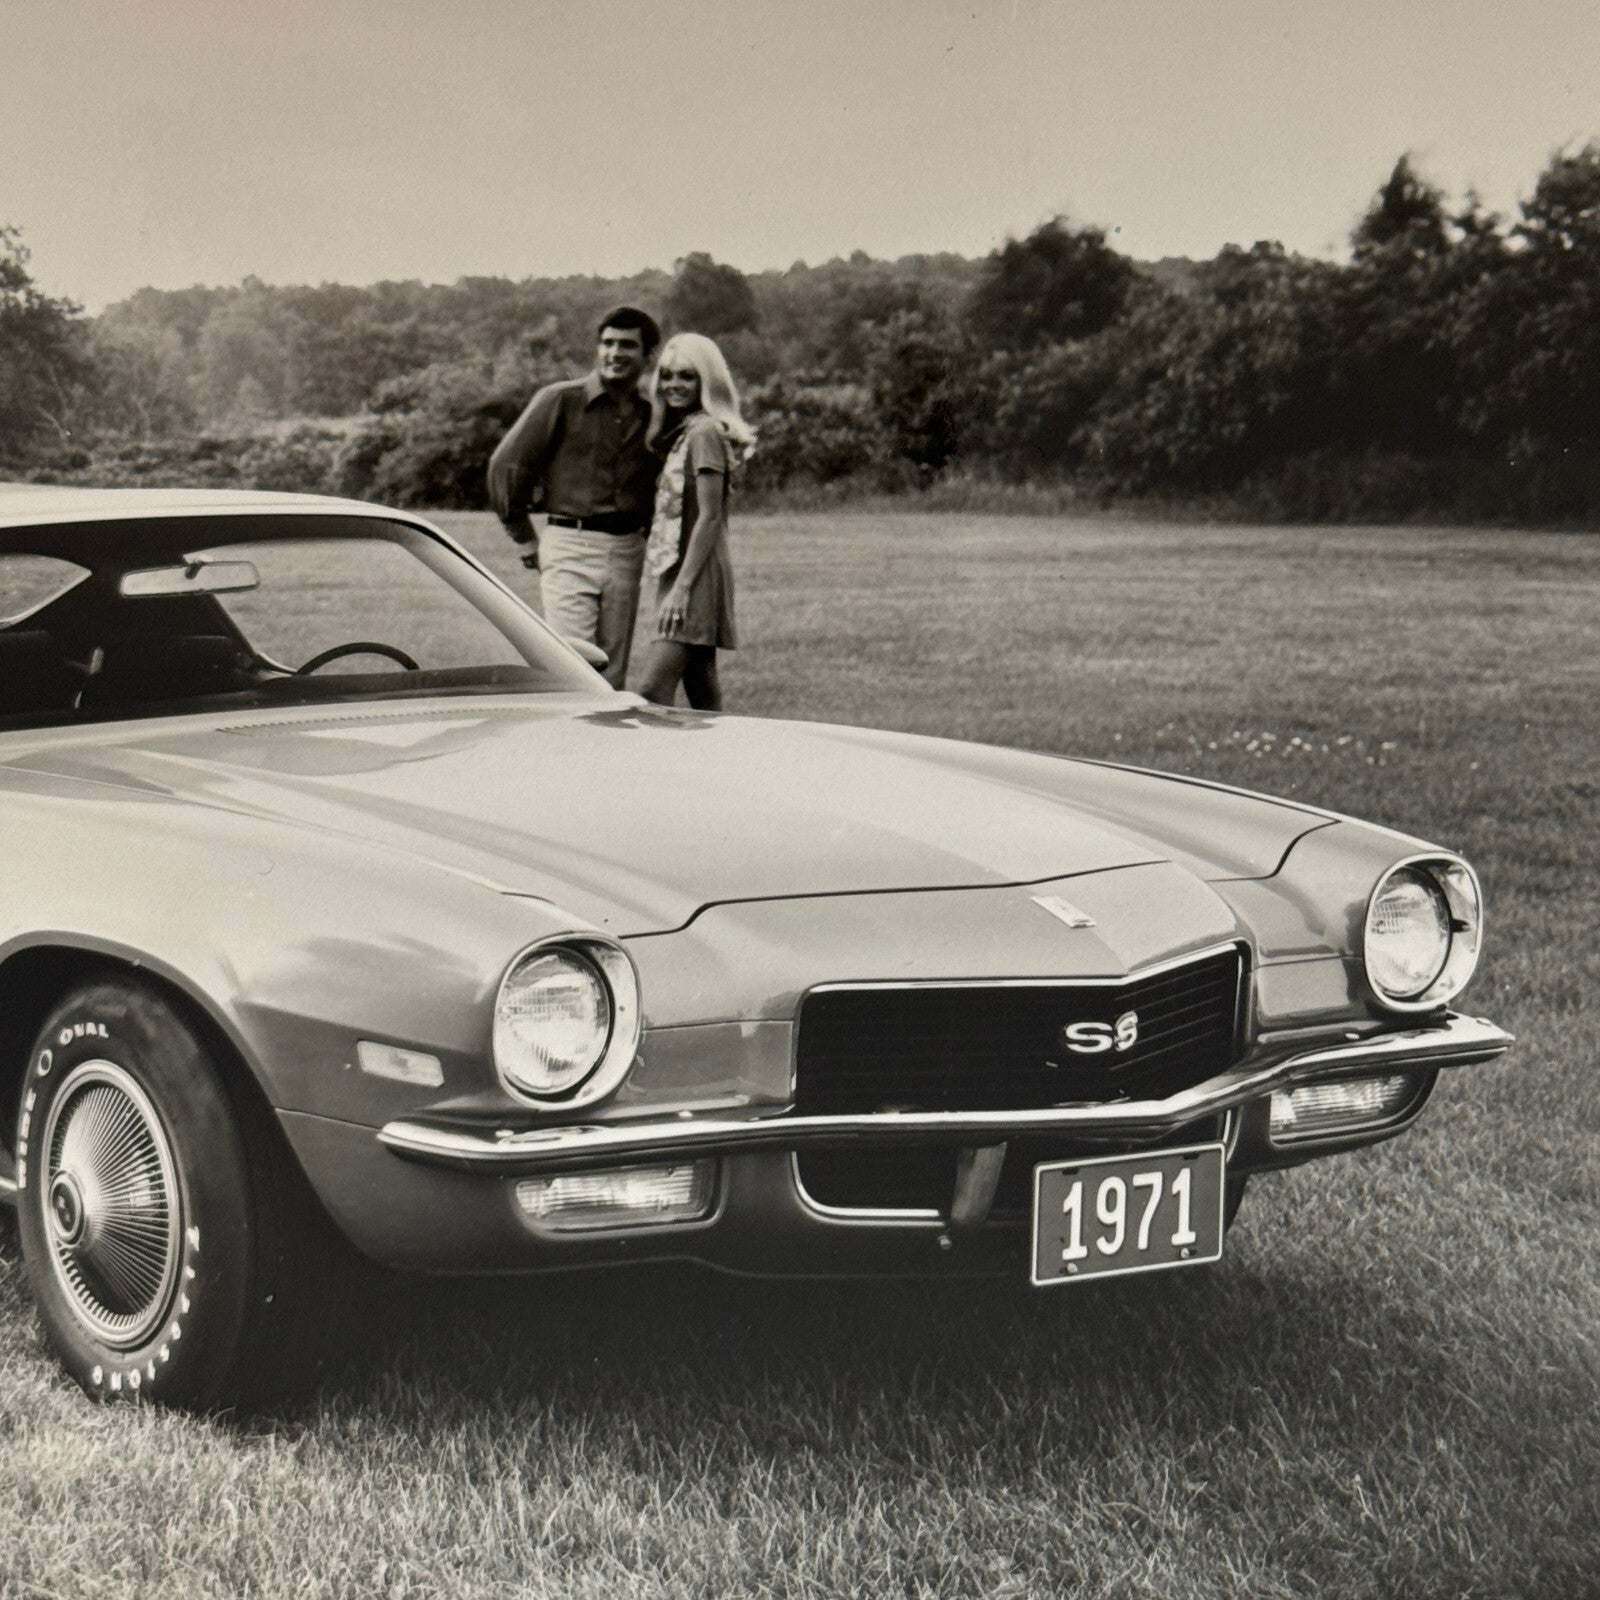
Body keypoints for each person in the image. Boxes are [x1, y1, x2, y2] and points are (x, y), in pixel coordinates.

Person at [487, 306, 661, 689]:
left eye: (627, 345)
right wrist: (523, 537)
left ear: (648, 355)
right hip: (570, 544)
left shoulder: (653, 412)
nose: (615, 353)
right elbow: (506, 466)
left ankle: (606, 730)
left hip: (628, 549)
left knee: (612, 672)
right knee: (572, 662)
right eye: (608, 343)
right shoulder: (559, 400)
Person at [635, 333, 756, 711]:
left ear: (707, 379)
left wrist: (682, 589)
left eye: (687, 376)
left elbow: (710, 515)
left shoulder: (704, 432)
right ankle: (722, 750)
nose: (674, 385)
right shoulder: (687, 432)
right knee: (701, 687)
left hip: (696, 574)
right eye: (667, 376)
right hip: (682, 569)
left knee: (653, 690)